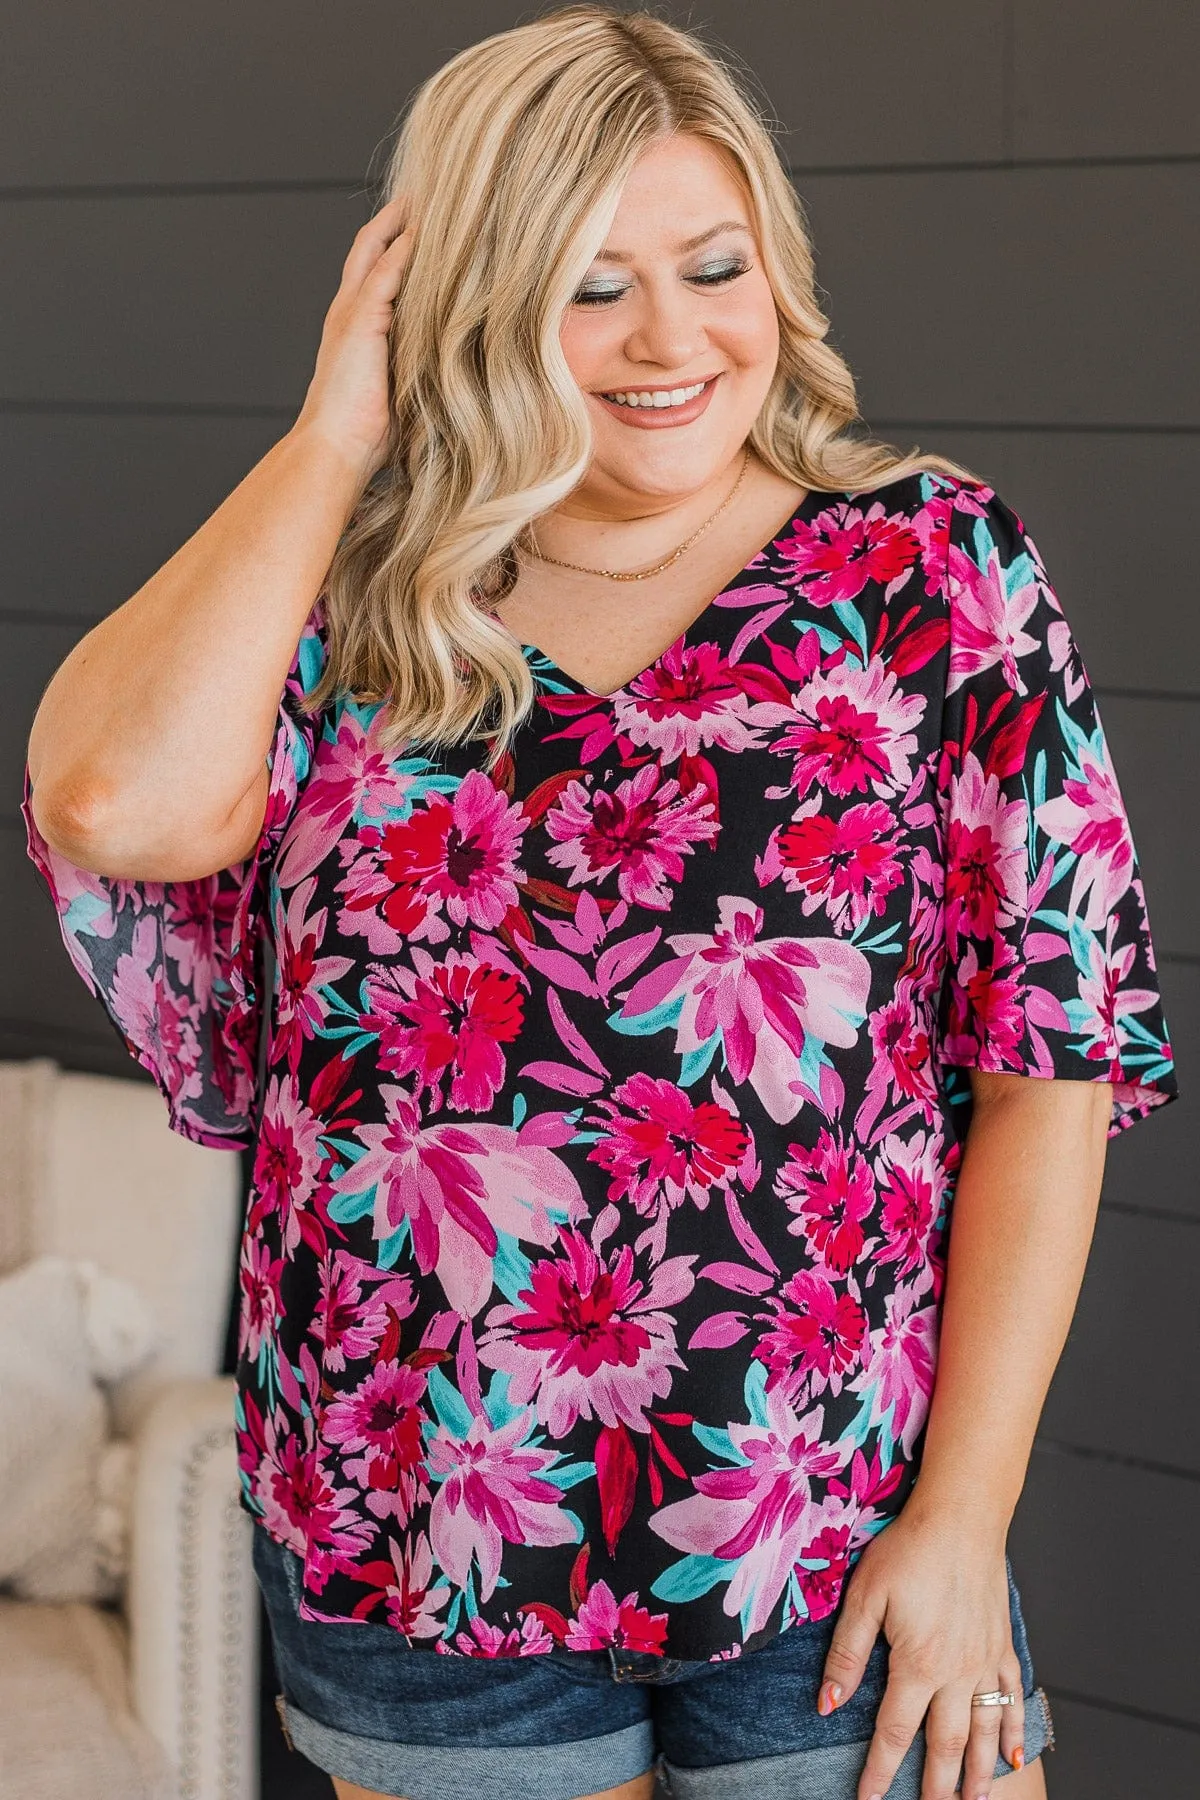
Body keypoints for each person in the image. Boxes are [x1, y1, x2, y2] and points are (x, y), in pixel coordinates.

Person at [21, 7, 1177, 1800]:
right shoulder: (348, 604)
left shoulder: (931, 574)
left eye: (712, 268)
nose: (667, 341)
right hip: (423, 1541)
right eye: (583, 285)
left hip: (831, 1532)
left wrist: (965, 1521)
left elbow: (1056, 1072)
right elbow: (109, 800)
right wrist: (342, 429)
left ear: (776, 275)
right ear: (466, 300)